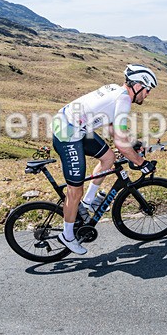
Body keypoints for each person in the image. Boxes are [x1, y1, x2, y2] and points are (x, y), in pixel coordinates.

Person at [51, 64, 158, 254]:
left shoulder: (116, 91)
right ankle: (67, 236)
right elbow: (119, 141)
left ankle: (87, 203)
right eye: (147, 90)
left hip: (75, 127)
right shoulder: (123, 100)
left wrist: (131, 143)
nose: (147, 95)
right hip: (67, 133)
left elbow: (112, 126)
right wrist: (142, 163)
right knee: (75, 190)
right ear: (137, 86)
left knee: (108, 158)